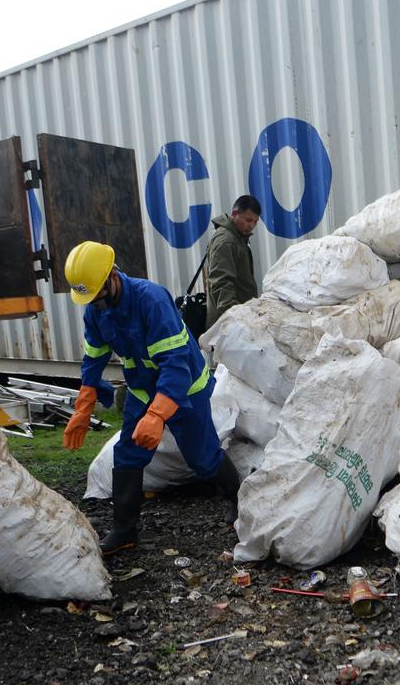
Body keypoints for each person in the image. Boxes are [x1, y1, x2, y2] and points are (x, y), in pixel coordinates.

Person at [62, 241, 240, 554]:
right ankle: (124, 530)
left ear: (112, 277)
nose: (95, 305)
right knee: (127, 453)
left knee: (202, 458)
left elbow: (175, 366)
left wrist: (157, 416)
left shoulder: (151, 300)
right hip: (143, 390)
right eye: (89, 299)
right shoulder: (96, 309)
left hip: (185, 388)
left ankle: (236, 497)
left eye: (97, 296)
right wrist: (84, 404)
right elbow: (94, 356)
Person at [204, 195, 261, 329]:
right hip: (228, 326)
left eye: (255, 221)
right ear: (235, 214)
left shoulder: (238, 239)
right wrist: (237, 319)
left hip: (237, 321)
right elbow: (221, 283)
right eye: (248, 220)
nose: (251, 226)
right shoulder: (226, 241)